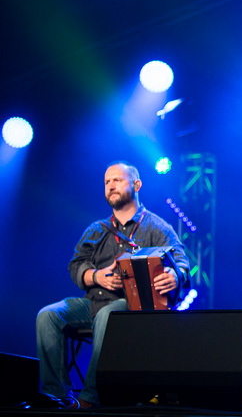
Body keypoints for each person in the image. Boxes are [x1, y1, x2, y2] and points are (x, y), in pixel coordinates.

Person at [36, 161, 190, 408]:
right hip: (93, 303)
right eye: (107, 182)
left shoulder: (157, 227)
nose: (110, 186)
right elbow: (76, 265)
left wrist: (175, 275)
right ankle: (58, 396)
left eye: (117, 180)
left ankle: (90, 397)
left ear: (136, 184)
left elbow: (182, 263)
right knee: (48, 315)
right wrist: (96, 276)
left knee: (109, 315)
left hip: (132, 309)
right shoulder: (97, 229)